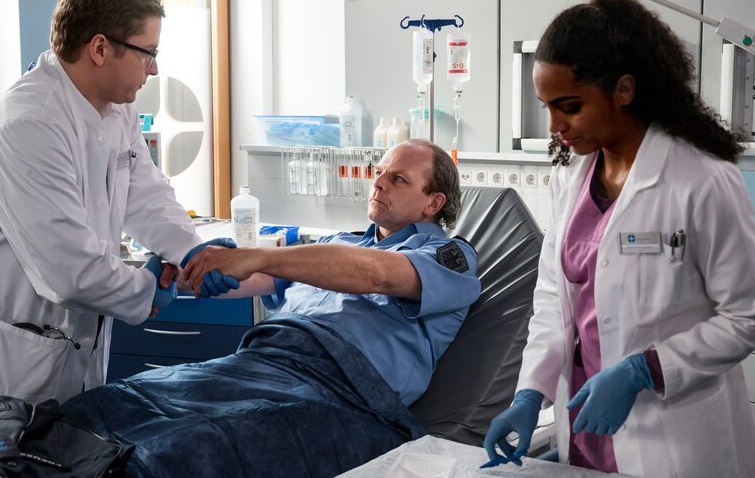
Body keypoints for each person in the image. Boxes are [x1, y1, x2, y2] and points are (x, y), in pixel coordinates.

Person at [61, 140, 481, 477]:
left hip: (343, 392)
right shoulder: (340, 242)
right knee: (106, 407)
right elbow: (254, 278)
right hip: (261, 361)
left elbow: (377, 275)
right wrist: (191, 268)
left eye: (398, 179)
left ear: (433, 203)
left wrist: (256, 255)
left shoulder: (449, 256)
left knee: (179, 451)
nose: (378, 183)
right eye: (380, 171)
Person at [482, 0, 755, 477]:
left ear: (623, 90)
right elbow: (553, 299)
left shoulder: (702, 180)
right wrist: (529, 393)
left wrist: (644, 370)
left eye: (570, 106)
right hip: (583, 422)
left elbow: (746, 316)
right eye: (547, 107)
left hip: (673, 438)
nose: (555, 125)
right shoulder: (569, 177)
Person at [0, 0, 204, 407]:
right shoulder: (28, 125)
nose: (154, 68)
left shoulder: (117, 108)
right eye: (148, 53)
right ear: (100, 49)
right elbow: (71, 271)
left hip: (72, 351)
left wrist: (194, 252)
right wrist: (146, 288)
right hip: (8, 364)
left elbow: (145, 193)